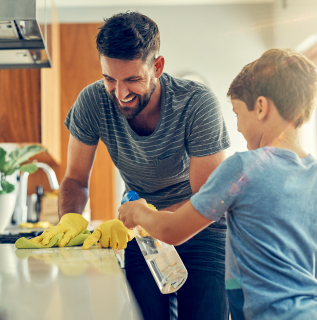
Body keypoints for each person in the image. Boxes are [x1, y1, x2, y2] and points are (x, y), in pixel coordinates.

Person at [118, 48, 317, 320]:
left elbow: (172, 231)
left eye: (238, 113)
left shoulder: (243, 169)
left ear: (261, 107)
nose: (238, 127)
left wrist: (138, 211)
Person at [30, 11, 230, 320]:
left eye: (133, 79)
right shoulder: (93, 102)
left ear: (157, 67)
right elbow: (75, 179)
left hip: (198, 231)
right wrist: (70, 219)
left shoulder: (197, 104)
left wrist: (148, 216)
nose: (120, 94)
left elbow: (207, 201)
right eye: (110, 78)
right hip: (142, 235)